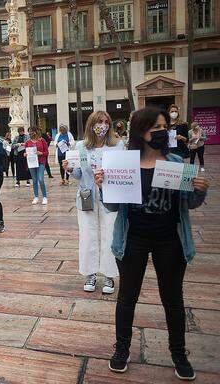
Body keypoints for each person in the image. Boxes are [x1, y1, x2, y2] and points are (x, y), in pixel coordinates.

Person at [95, 107, 209, 380]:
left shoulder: (176, 162)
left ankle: (178, 353)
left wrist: (199, 191)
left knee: (172, 300)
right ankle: (122, 349)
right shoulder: (125, 164)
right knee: (126, 299)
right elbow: (112, 206)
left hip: (170, 240)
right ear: (141, 131)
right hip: (132, 240)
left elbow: (190, 203)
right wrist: (103, 185)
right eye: (156, 128)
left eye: (164, 127)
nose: (162, 132)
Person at [63, 110, 123, 294]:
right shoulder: (81, 146)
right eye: (99, 122)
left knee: (110, 235)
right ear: (91, 124)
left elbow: (122, 172)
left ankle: (109, 275)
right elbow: (79, 174)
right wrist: (69, 169)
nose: (102, 125)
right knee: (87, 235)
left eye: (106, 122)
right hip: (87, 196)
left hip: (110, 198)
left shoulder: (117, 146)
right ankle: (90, 273)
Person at [25, 127, 49, 205]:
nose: (30, 134)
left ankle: (44, 197)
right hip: (32, 163)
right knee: (34, 180)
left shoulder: (42, 140)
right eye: (29, 132)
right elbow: (26, 152)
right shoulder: (27, 142)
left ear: (35, 132)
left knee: (41, 179)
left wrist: (41, 153)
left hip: (41, 162)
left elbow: (47, 152)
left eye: (31, 132)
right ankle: (36, 196)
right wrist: (25, 154)